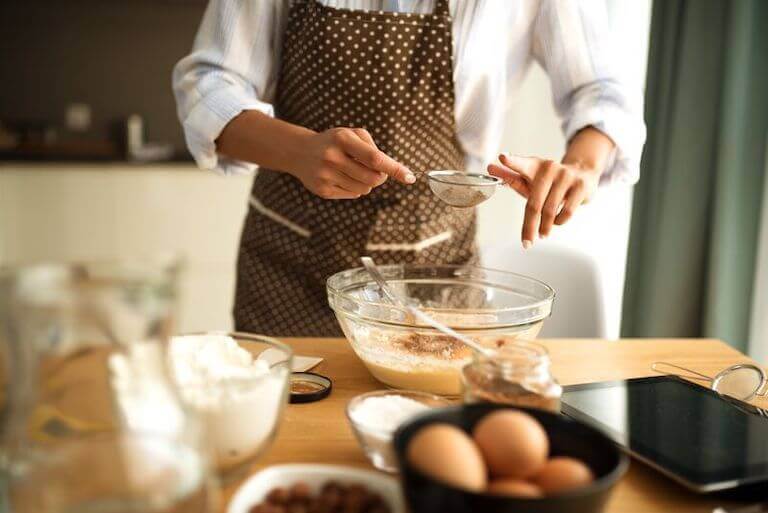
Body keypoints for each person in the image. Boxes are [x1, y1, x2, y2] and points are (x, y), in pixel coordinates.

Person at [173, 0, 645, 337]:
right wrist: (299, 151)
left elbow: (602, 89)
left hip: (438, 276)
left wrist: (580, 168)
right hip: (286, 266)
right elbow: (209, 82)